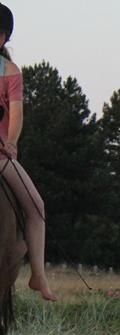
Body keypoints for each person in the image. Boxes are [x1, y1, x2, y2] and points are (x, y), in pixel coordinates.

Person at [0, 3, 54, 301]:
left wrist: (10, 142)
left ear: (2, 38)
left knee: (36, 207)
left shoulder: (10, 72)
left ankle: (38, 275)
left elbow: (16, 115)